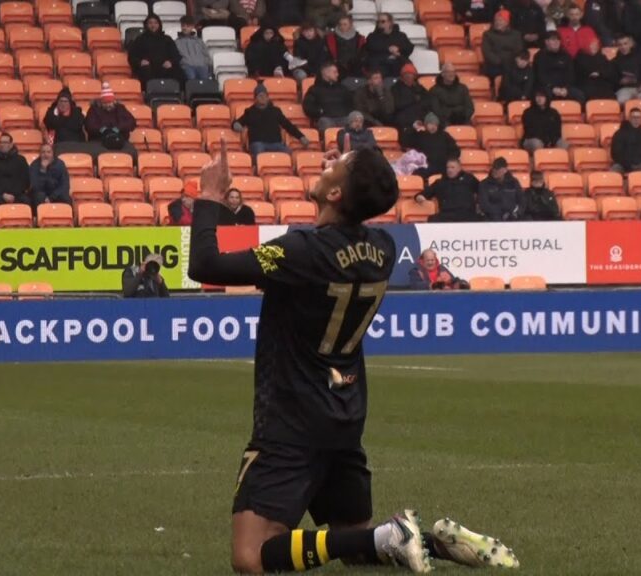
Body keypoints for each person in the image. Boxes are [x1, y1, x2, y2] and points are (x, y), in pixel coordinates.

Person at [187, 142, 518, 575]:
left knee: (251, 558)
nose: (327, 164)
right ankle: (434, 543)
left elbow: (205, 264)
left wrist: (211, 196)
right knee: (356, 547)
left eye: (337, 166)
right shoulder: (380, 249)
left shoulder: (299, 251)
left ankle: (394, 535)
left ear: (336, 194)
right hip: (344, 413)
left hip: (291, 418)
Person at [233, 83, 310, 156]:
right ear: (255, 98)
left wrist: (301, 137)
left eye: (265, 95)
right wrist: (235, 125)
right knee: (259, 151)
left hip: (276, 143)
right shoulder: (250, 112)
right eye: (260, 96)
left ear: (268, 97)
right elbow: (238, 122)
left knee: (287, 152)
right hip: (258, 143)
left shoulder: (275, 111)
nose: (263, 98)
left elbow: (288, 125)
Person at [400, 113, 460, 178]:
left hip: (443, 167)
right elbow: (405, 142)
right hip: (426, 167)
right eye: (431, 124)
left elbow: (456, 151)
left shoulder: (444, 136)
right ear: (426, 125)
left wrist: (447, 161)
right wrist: (413, 128)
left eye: (435, 124)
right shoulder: (420, 136)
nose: (433, 126)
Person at [128, 15, 182, 85]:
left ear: (159, 24)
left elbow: (176, 55)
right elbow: (132, 56)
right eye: (150, 23)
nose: (153, 25)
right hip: (148, 68)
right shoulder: (140, 39)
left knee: (179, 72)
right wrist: (140, 62)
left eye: (155, 23)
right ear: (146, 25)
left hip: (164, 67)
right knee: (144, 71)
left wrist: (170, 62)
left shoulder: (167, 39)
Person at [534, 31, 586, 103]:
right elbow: (541, 76)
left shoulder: (566, 56)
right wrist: (553, 88)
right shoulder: (540, 56)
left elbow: (571, 75)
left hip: (564, 88)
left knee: (579, 95)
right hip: (547, 87)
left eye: (558, 39)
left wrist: (566, 88)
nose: (556, 42)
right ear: (546, 42)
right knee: (544, 95)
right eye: (553, 39)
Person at [303, 62, 353, 132]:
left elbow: (351, 103)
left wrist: (347, 112)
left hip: (343, 117)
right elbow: (308, 106)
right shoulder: (314, 89)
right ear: (326, 73)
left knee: (352, 120)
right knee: (325, 123)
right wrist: (320, 112)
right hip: (326, 118)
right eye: (335, 72)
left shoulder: (343, 89)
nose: (337, 75)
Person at [362, 13, 414, 78]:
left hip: (397, 63)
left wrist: (398, 48)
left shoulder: (400, 35)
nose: (380, 24)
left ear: (390, 22)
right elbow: (370, 47)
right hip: (380, 64)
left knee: (408, 70)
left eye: (383, 21)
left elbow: (409, 47)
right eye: (378, 22)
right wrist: (388, 49)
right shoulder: (372, 36)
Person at [0, 133, 31, 208]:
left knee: (26, 202)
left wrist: (13, 194)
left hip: (17, 194)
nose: (2, 145)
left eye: (5, 142)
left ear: (11, 144)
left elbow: (25, 180)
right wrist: (3, 194)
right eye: (0, 142)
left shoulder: (21, 160)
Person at [613, 34, 641, 103]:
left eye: (625, 44)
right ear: (617, 46)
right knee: (622, 100)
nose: (623, 47)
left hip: (640, 89)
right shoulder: (614, 62)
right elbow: (612, 80)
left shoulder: (640, 58)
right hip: (624, 89)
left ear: (630, 44)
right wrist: (620, 82)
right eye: (620, 45)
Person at [482, 9, 524, 79]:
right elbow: (487, 52)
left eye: (501, 20)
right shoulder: (488, 35)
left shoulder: (516, 34)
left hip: (512, 65)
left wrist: (511, 63)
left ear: (507, 22)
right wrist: (500, 62)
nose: (498, 22)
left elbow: (519, 50)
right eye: (496, 20)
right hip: (495, 66)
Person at [392, 62, 434, 130]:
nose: (408, 76)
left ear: (414, 76)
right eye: (406, 74)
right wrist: (413, 99)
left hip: (420, 115)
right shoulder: (396, 88)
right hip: (404, 116)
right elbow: (397, 104)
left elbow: (428, 100)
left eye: (411, 74)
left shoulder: (419, 88)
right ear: (402, 76)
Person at [176, 16, 213, 81]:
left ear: (192, 27)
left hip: (202, 65)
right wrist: (183, 64)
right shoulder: (177, 42)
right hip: (187, 66)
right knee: (191, 78)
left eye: (187, 26)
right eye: (183, 26)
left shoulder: (199, 41)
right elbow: (176, 56)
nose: (184, 28)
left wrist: (207, 64)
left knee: (205, 78)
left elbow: (206, 54)